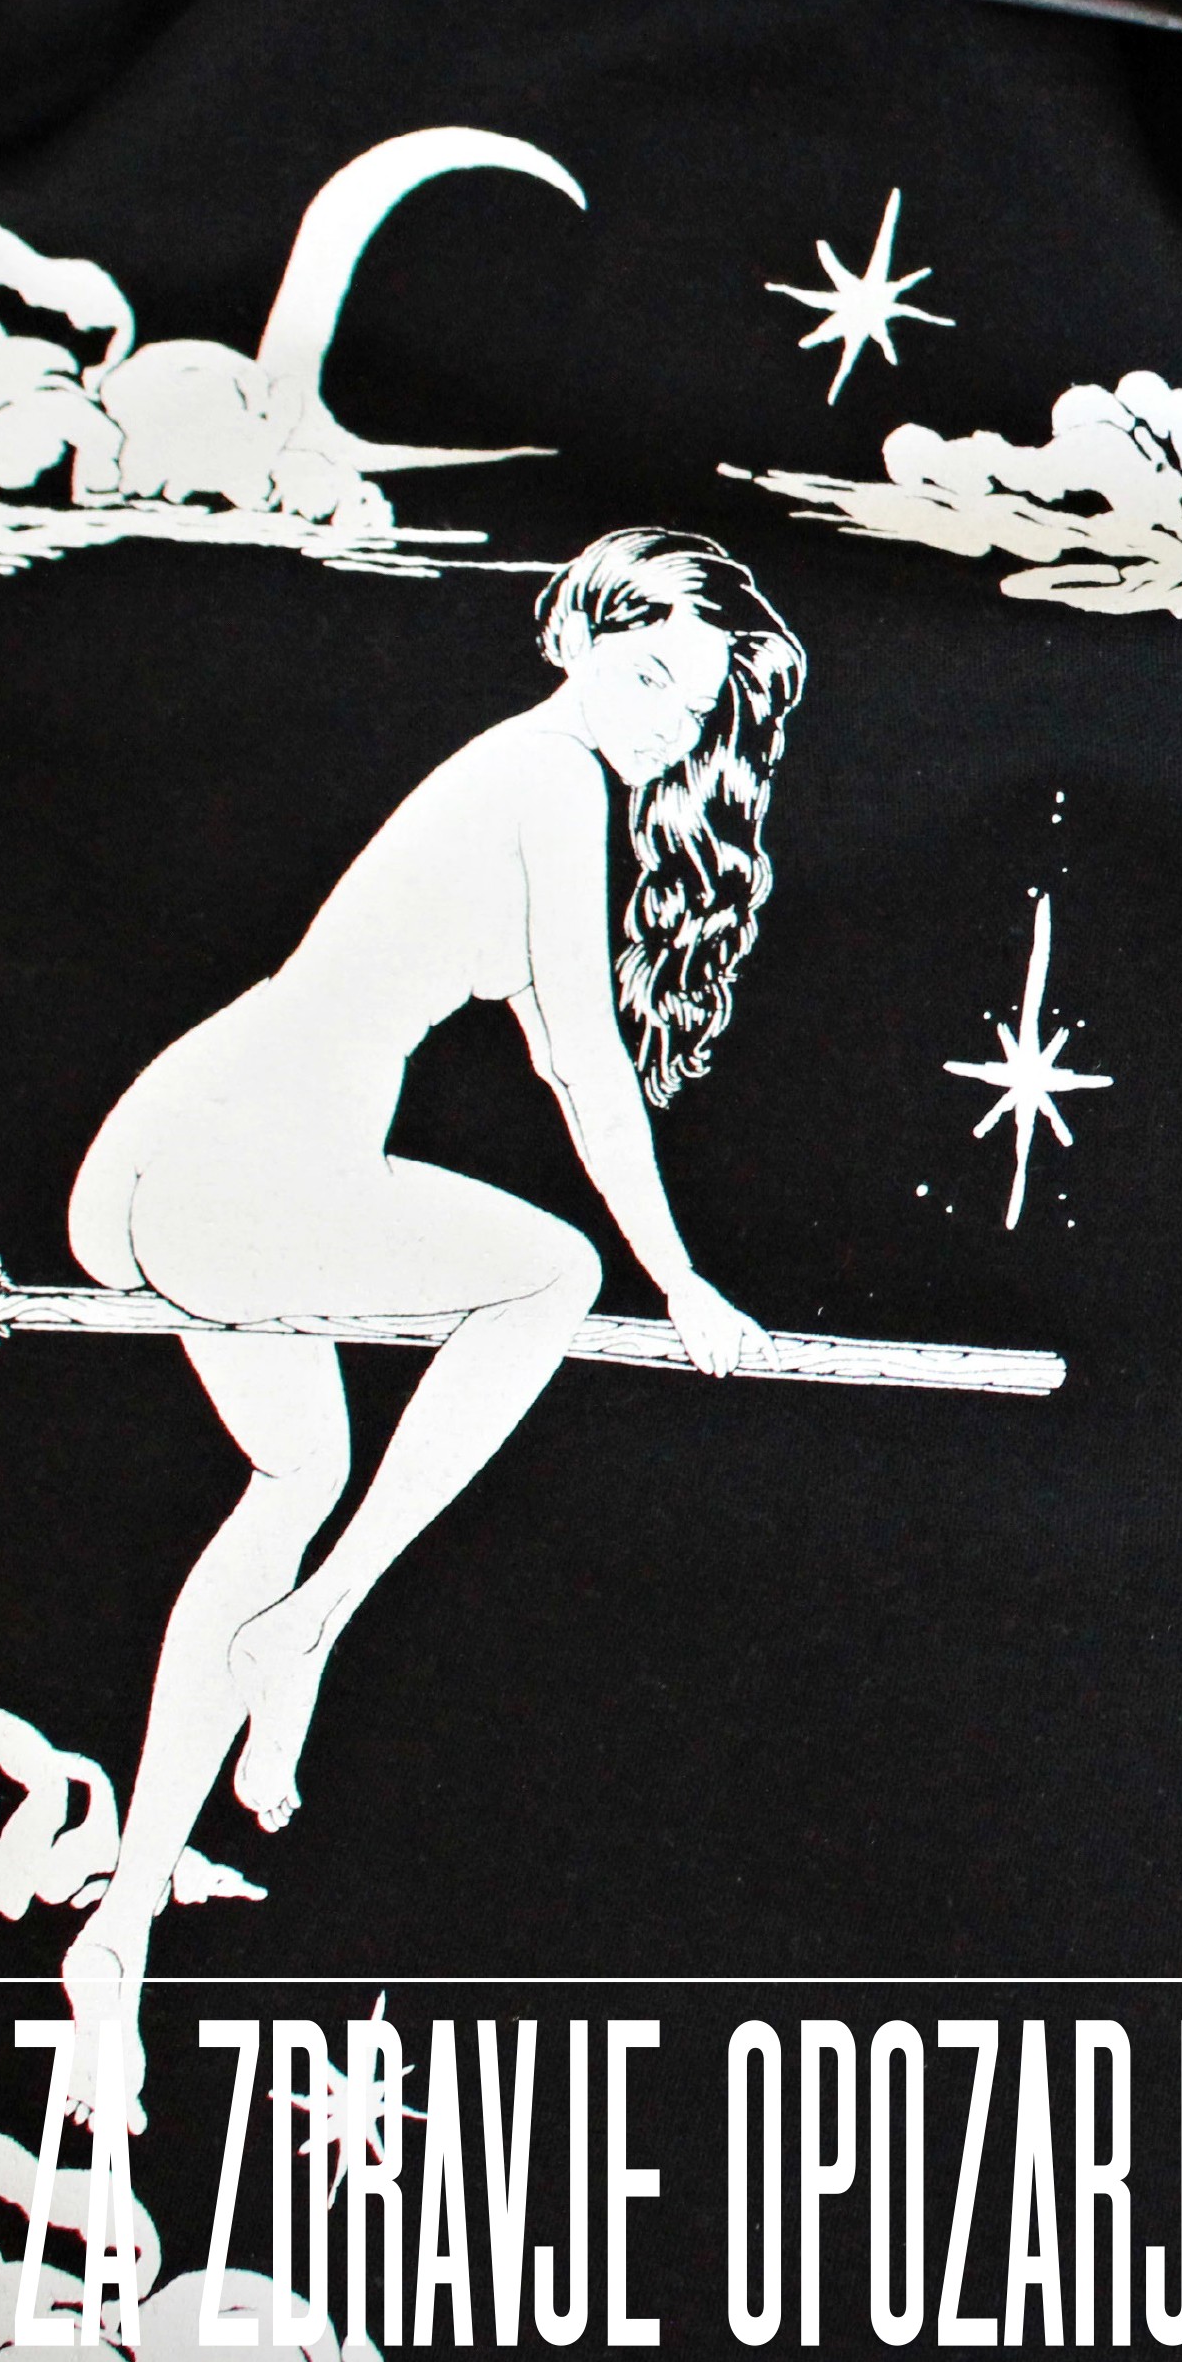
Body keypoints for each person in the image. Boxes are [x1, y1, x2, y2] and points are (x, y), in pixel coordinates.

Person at [50, 528, 806, 2126]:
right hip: (241, 1159)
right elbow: (582, 1064)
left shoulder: (526, 780)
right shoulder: (545, 777)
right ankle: (316, 1625)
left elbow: (560, 1043)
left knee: (293, 1474)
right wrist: (683, 1282)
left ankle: (116, 1931)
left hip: (189, 1147)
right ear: (576, 634)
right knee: (551, 1278)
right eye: (647, 675)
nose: (667, 723)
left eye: (693, 706)